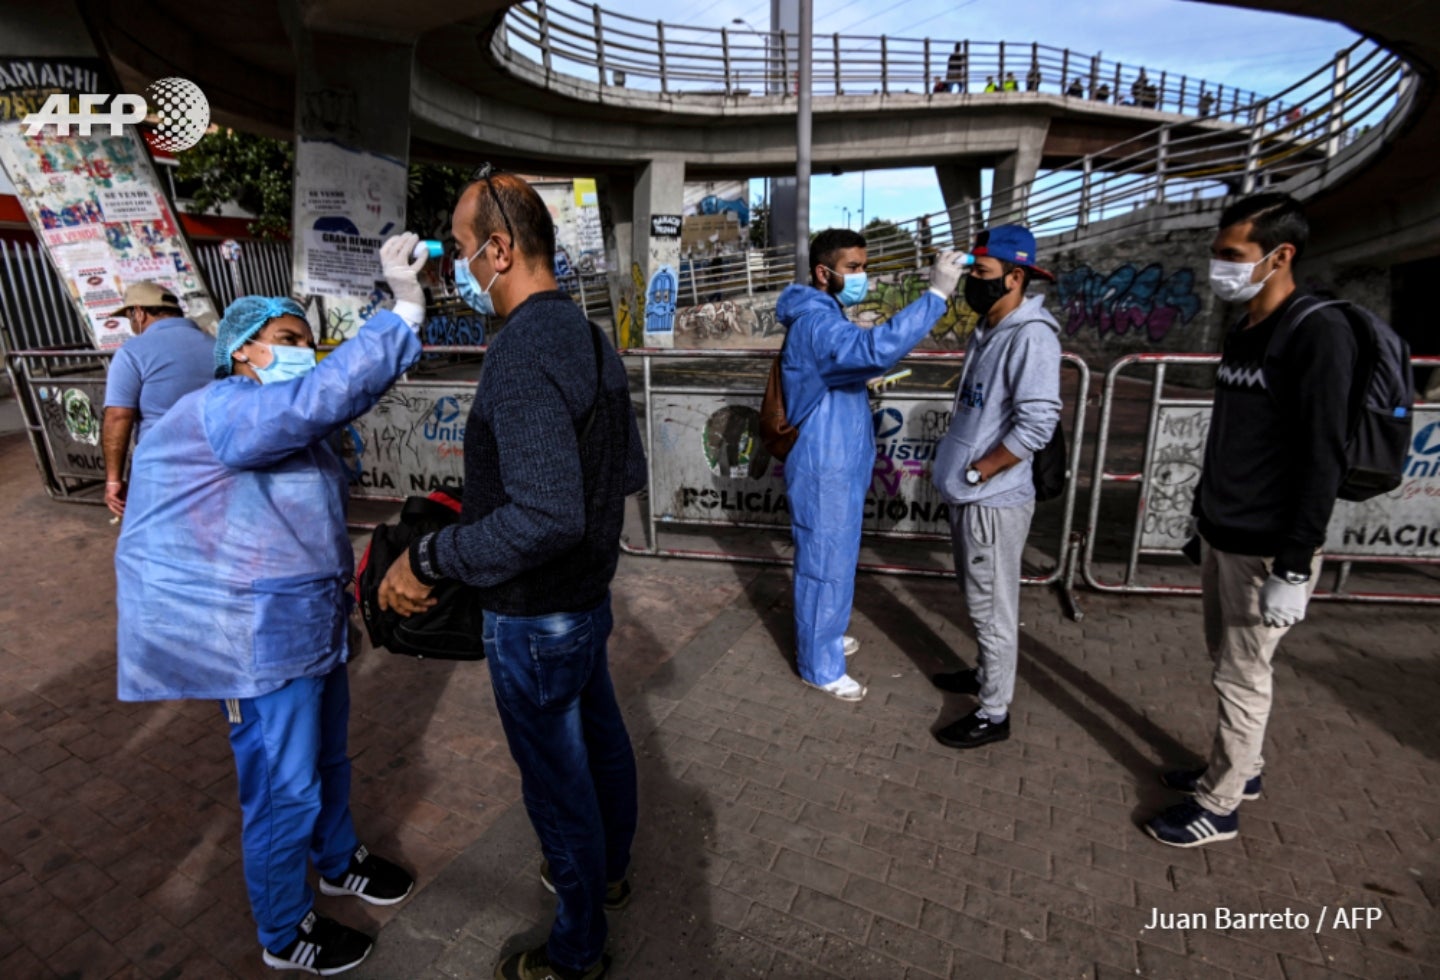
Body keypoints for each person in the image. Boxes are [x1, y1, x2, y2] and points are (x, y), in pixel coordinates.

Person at [114, 235, 429, 975]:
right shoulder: (223, 407)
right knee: (282, 787)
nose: (302, 353)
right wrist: (402, 312)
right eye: (287, 340)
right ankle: (285, 932)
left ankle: (337, 857)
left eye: (308, 343)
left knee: (326, 760)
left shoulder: (285, 421)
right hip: (255, 643)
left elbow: (322, 417)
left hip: (307, 629)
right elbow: (324, 393)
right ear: (242, 350)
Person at [377, 167, 646, 980]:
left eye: (459, 251)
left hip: (536, 618)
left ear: (498, 249)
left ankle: (576, 950)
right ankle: (610, 873)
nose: (455, 267)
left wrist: (427, 558)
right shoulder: (588, 335)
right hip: (585, 599)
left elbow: (544, 514)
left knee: (557, 792)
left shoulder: (523, 349)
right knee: (601, 741)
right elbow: (623, 470)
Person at [1146, 194, 1356, 848]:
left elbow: (1325, 456)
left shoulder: (1317, 333)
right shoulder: (1244, 328)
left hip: (1268, 544)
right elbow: (1233, 434)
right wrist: (1201, 516)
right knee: (1228, 660)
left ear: (1280, 255)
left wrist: (1296, 562)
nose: (1220, 268)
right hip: (1225, 530)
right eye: (1217, 253)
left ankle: (1221, 804)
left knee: (1242, 673)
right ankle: (1241, 768)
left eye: (1232, 256)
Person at [777, 229, 967, 702]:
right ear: (825, 273)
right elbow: (874, 347)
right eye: (854, 268)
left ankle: (826, 631)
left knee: (838, 554)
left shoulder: (825, 314)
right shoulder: (817, 323)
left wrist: (862, 374)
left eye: (864, 266)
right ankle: (818, 664)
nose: (863, 276)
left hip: (839, 457)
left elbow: (850, 362)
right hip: (825, 462)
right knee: (824, 562)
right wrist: (936, 295)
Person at [929, 225, 1061, 749]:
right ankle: (987, 672)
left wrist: (981, 471)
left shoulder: (1031, 336)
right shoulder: (991, 327)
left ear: (1015, 276)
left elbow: (1036, 425)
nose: (971, 284)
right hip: (970, 495)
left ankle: (993, 712)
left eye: (979, 275)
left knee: (992, 607)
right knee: (976, 594)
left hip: (991, 499)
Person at [100, 282, 213, 517]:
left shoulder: (133, 351)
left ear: (138, 313)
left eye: (130, 317)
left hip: (161, 469)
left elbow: (118, 416)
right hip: (217, 459)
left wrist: (113, 480)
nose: (132, 325)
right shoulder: (217, 346)